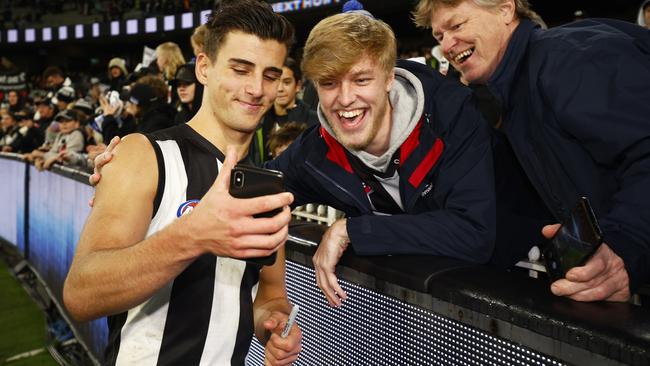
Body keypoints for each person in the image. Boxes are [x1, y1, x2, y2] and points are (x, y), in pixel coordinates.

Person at [63, 1, 302, 364]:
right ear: (204, 67)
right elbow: (81, 293)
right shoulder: (144, 155)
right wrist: (191, 236)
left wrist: (273, 323)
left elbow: (269, 295)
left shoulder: (268, 188)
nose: (256, 88)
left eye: (271, 75)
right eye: (240, 69)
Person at [414, 0, 650, 302]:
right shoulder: (514, 95)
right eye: (439, 36)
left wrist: (627, 245)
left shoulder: (568, 58)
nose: (447, 45)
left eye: (457, 26)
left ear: (505, 10)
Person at [267, 11, 495, 307]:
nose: (345, 98)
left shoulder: (451, 116)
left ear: (389, 78)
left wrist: (352, 230)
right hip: (402, 310)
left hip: (504, 301)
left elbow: (473, 233)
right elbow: (258, 195)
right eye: (329, 83)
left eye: (361, 79)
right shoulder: (314, 150)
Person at [255, 57, 318, 162]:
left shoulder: (315, 123)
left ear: (298, 86)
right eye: (276, 81)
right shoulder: (258, 119)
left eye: (287, 82)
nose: (280, 89)